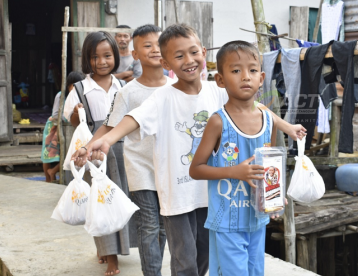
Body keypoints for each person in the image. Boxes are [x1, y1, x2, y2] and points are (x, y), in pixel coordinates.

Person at [76, 24, 305, 276]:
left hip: (213, 194)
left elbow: (257, 108)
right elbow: (134, 119)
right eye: (179, 56)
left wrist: (288, 127)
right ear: (166, 63)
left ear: (204, 53)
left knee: (204, 255)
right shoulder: (162, 98)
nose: (188, 60)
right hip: (178, 195)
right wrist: (108, 140)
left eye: (193, 52)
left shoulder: (215, 90)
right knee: (184, 261)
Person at [189, 40, 306, 276]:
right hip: (227, 222)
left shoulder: (268, 119)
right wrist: (234, 171)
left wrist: (274, 195)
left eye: (252, 70)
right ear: (220, 80)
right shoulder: (218, 121)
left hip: (257, 221)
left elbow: (269, 166)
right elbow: (196, 169)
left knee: (255, 272)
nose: (245, 76)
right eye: (235, 70)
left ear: (261, 78)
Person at [73, 24, 173, 276]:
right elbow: (109, 126)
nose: (154, 50)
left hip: (170, 168)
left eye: (158, 45)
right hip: (140, 169)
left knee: (163, 227)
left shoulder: (177, 87)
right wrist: (86, 147)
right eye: (147, 45)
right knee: (149, 224)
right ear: (134, 53)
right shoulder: (127, 91)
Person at [62, 31, 129, 276]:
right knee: (101, 203)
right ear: (86, 59)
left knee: (120, 200)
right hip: (95, 152)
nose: (101, 62)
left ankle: (118, 248)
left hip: (122, 149)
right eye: (95, 57)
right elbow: (70, 121)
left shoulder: (122, 86)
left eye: (107, 56)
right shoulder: (79, 89)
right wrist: (75, 112)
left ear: (116, 56)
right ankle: (110, 256)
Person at [41, 71, 85, 182]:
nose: (76, 88)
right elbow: (56, 114)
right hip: (54, 127)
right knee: (48, 153)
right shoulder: (61, 95)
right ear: (69, 84)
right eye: (74, 85)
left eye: (79, 85)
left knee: (68, 153)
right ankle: (48, 178)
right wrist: (68, 117)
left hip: (70, 129)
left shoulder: (81, 95)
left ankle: (54, 171)